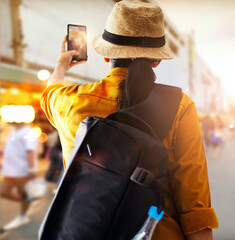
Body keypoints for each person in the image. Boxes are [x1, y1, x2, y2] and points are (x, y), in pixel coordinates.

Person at [40, 2, 217, 239]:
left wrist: (61, 66)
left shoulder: (71, 102)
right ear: (157, 61)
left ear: (106, 56)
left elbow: (50, 92)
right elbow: (194, 205)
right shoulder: (180, 106)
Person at [0, 123, 38, 231]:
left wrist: (31, 169)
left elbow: (30, 150)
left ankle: (23, 216)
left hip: (22, 169)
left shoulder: (28, 131)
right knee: (3, 192)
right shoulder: (13, 130)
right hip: (9, 170)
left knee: (23, 193)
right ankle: (30, 201)